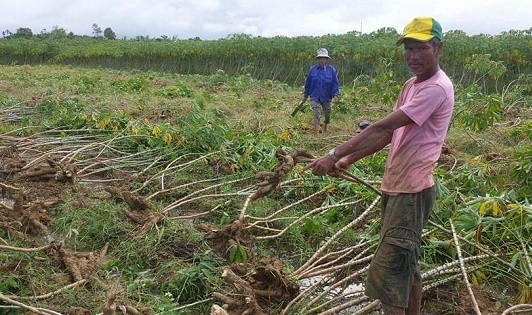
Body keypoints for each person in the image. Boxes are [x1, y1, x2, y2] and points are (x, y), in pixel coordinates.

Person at [303, 17, 454, 315]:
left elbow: (383, 125)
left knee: (388, 274)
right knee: (406, 267)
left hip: (410, 193)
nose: (412, 56)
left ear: (438, 47)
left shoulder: (436, 88)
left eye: (420, 48)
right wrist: (348, 159)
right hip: (399, 189)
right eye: (408, 49)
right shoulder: (412, 85)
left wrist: (334, 153)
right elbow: (388, 134)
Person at [301, 48, 339, 134]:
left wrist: (335, 94)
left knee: (327, 113)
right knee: (316, 113)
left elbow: (334, 83)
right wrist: (305, 95)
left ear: (326, 59)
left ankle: (325, 124)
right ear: (318, 59)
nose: (322, 60)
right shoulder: (312, 69)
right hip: (315, 96)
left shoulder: (331, 70)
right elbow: (308, 83)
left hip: (326, 96)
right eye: (320, 58)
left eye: (324, 58)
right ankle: (316, 132)